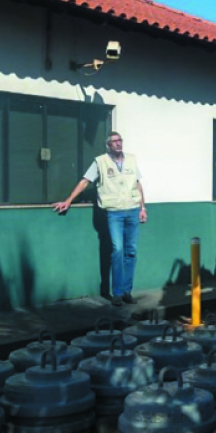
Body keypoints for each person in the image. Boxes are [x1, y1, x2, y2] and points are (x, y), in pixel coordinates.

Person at [53, 131, 147, 306]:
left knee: (131, 251)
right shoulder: (100, 162)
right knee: (117, 249)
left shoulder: (132, 160)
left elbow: (138, 184)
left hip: (133, 210)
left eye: (120, 140)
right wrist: (68, 200)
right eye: (115, 141)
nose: (119, 143)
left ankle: (127, 291)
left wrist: (143, 208)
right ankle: (117, 293)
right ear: (108, 145)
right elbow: (85, 181)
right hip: (114, 213)